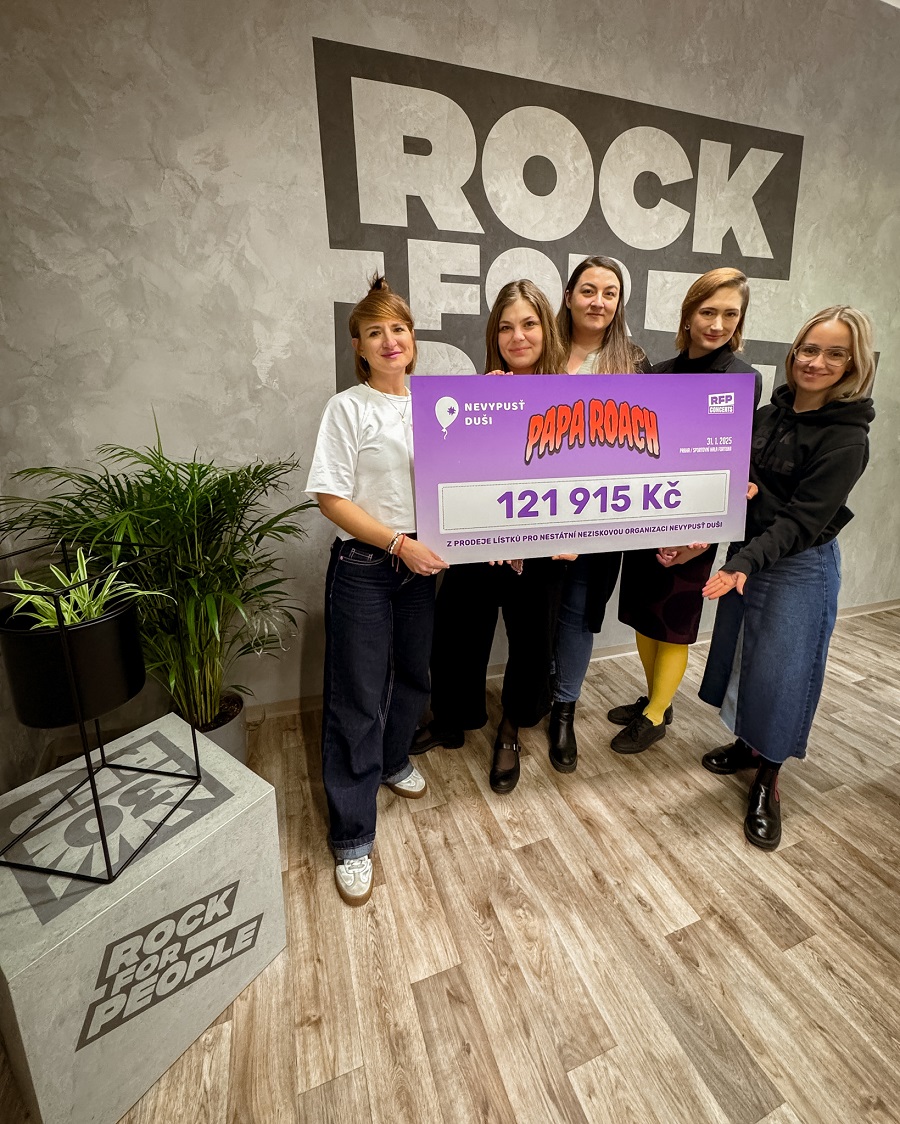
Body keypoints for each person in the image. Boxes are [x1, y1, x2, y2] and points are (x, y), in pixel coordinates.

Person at [699, 306, 876, 850]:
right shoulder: (765, 415)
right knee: (743, 659)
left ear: (853, 365)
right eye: (809, 349)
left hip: (797, 565)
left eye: (834, 353)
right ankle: (747, 745)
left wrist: (742, 562)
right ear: (794, 352)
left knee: (783, 676)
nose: (816, 362)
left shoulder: (847, 438)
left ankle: (768, 778)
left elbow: (801, 522)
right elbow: (734, 477)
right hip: (749, 553)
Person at [305, 275, 448, 906]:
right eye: (374, 332)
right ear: (358, 346)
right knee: (358, 697)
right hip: (366, 566)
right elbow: (330, 498)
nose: (390, 341)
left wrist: (501, 402)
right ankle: (352, 834)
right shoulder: (348, 407)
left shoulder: (437, 403)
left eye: (399, 329)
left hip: (422, 566)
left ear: (412, 339)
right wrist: (398, 544)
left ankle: (392, 761)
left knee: (413, 676)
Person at [411, 279, 569, 794]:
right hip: (478, 549)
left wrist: (569, 534)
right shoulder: (473, 395)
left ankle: (511, 729)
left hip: (541, 552)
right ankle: (452, 719)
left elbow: (582, 477)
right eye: (506, 327)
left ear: (547, 329)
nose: (517, 336)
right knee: (456, 634)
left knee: (533, 644)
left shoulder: (573, 395)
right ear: (493, 336)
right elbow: (455, 470)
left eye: (529, 324)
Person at [609, 267, 762, 754]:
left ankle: (655, 716)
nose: (717, 324)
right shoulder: (658, 374)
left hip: (695, 526)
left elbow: (736, 462)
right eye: (708, 311)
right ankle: (657, 697)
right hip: (647, 518)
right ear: (689, 314)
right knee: (643, 616)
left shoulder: (743, 379)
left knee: (673, 622)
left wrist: (700, 536)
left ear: (739, 320)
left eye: (730, 314)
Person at [547, 256, 652, 772]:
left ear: (619, 303)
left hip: (600, 520)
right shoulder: (542, 350)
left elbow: (651, 440)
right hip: (535, 513)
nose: (598, 301)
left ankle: (564, 710)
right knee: (535, 612)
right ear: (568, 297)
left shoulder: (633, 361)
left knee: (578, 614)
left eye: (610, 293)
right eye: (588, 290)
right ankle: (534, 696)